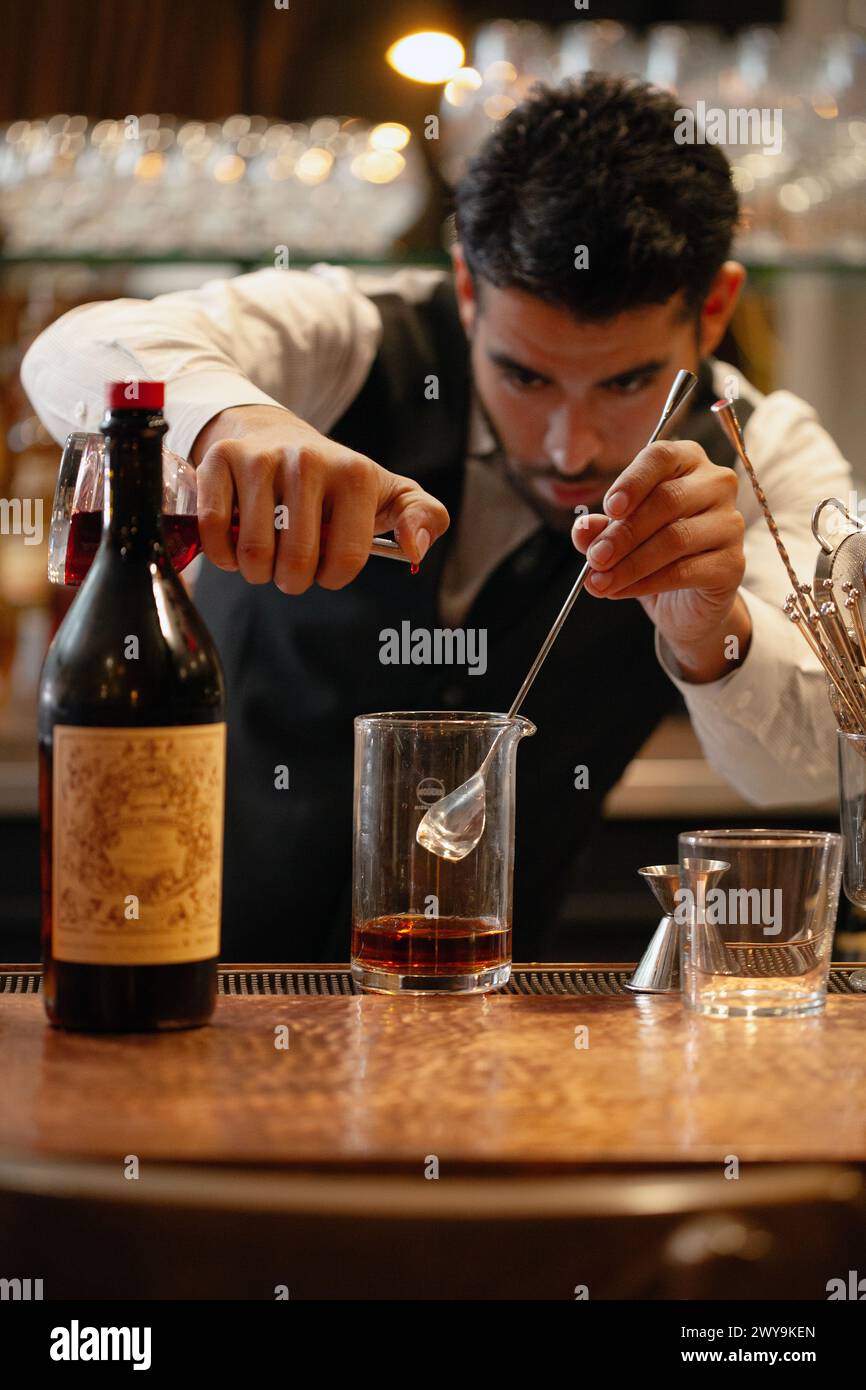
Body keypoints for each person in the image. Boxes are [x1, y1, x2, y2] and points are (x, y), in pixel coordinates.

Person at [23, 75, 850, 961]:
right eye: (526, 377)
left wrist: (713, 633)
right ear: (466, 284)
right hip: (194, 975)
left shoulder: (767, 451)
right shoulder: (352, 336)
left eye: (626, 383)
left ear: (715, 308)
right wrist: (234, 419)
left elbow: (798, 767)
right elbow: (75, 348)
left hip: (489, 1014)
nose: (571, 449)